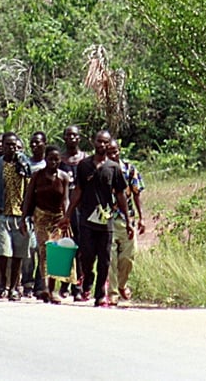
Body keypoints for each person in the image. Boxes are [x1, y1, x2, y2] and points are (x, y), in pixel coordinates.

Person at [59, 130, 132, 307]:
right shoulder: (84, 165)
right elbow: (78, 191)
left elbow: (121, 194)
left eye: (105, 142)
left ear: (109, 145)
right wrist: (68, 215)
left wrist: (129, 220)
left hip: (106, 220)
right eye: (99, 141)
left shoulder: (113, 168)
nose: (102, 145)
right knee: (87, 256)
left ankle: (100, 294)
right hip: (86, 219)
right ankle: (87, 278)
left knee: (105, 258)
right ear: (93, 142)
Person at [20, 145, 73, 304]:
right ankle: (44, 287)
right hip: (41, 216)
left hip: (58, 218)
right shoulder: (37, 175)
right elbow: (29, 197)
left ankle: (51, 288)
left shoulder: (63, 177)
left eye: (57, 160)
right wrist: (23, 218)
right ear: (46, 159)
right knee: (44, 249)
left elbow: (66, 199)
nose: (54, 162)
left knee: (56, 253)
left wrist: (67, 218)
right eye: (51, 159)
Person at [0, 132, 32, 301]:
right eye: (8, 145)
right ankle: (2, 282)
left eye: (14, 145)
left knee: (18, 254)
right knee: (3, 251)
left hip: (20, 215)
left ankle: (14, 287)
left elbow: (29, 190)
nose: (11, 148)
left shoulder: (24, 164)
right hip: (1, 214)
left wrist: (28, 214)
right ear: (2, 146)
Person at [107, 139, 145, 305]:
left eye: (115, 152)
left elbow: (137, 193)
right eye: (109, 152)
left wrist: (141, 218)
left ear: (119, 151)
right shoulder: (102, 170)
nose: (113, 155)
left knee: (128, 257)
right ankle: (113, 292)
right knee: (110, 258)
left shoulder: (129, 169)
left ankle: (122, 284)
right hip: (107, 218)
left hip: (126, 218)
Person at [58, 125, 88, 300]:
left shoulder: (85, 159)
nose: (72, 138)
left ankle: (78, 285)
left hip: (82, 209)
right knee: (65, 247)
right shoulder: (59, 160)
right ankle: (64, 283)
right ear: (64, 138)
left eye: (75, 135)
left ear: (79, 138)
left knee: (81, 249)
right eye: (68, 135)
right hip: (64, 209)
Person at [21, 131, 47, 297]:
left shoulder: (49, 164)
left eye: (38, 142)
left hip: (45, 213)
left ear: (45, 143)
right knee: (29, 249)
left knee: (42, 250)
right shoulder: (26, 165)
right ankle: (27, 283)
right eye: (32, 142)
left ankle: (40, 285)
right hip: (30, 213)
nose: (34, 145)